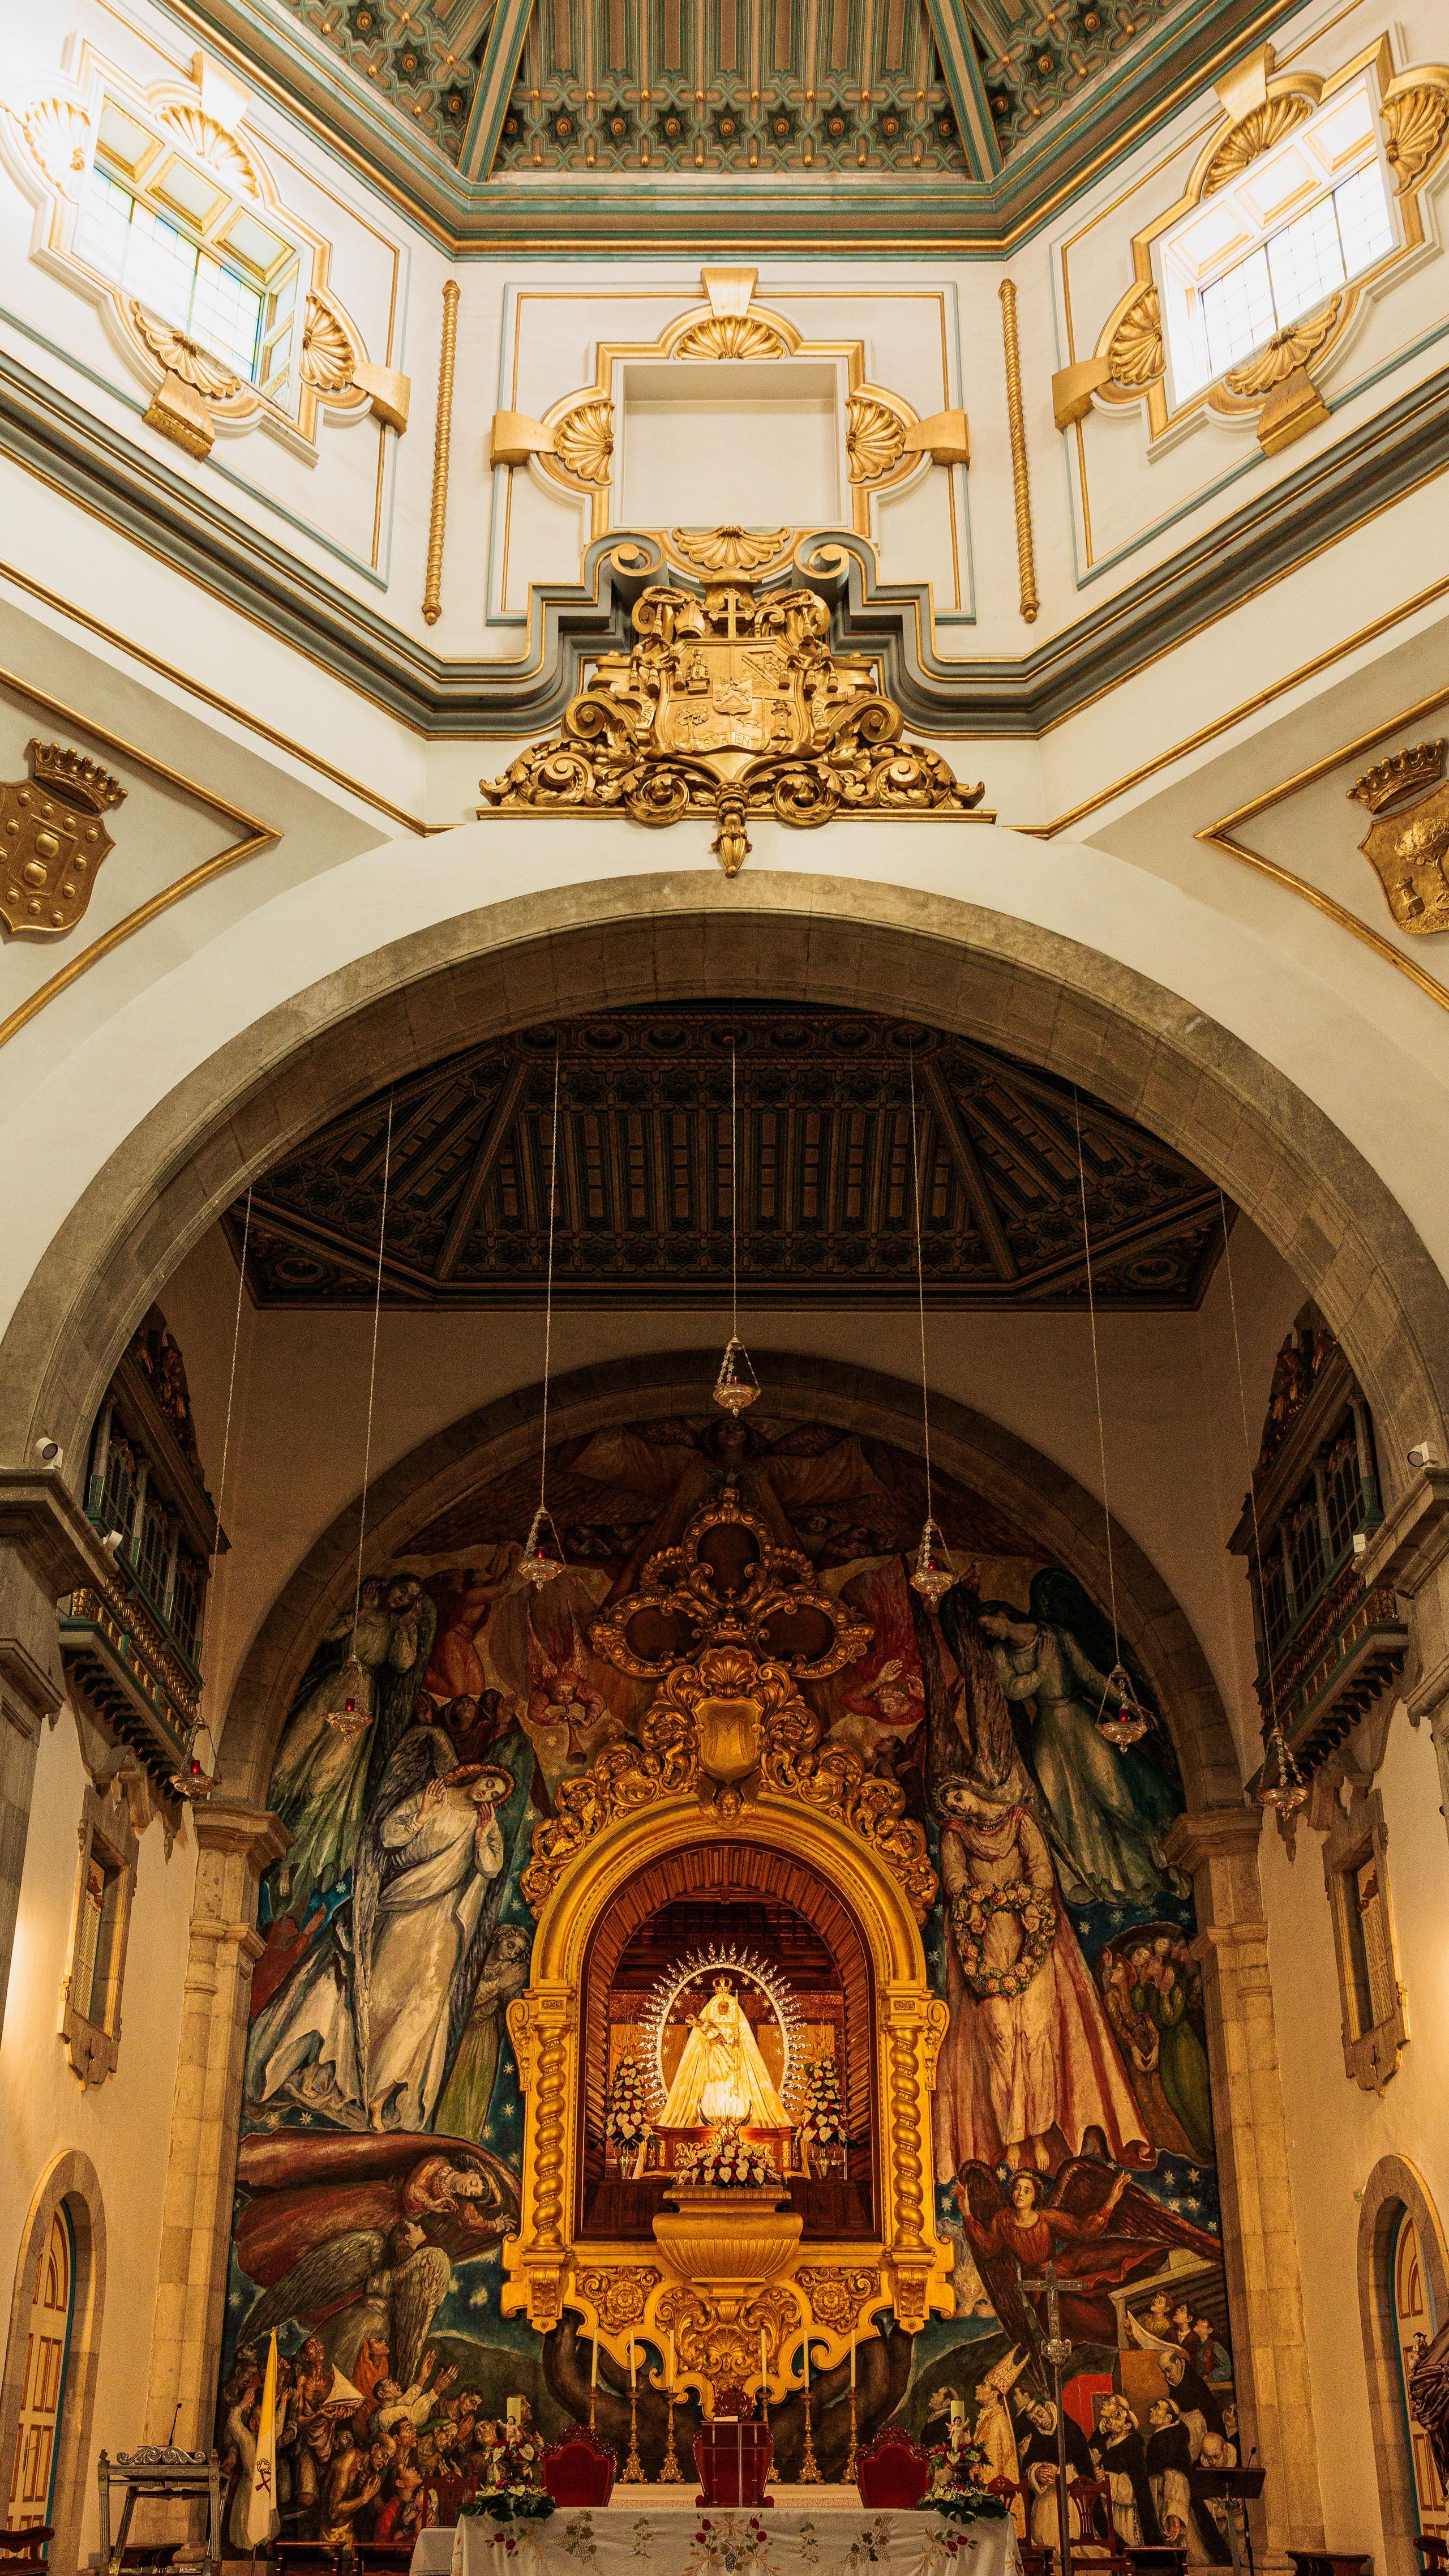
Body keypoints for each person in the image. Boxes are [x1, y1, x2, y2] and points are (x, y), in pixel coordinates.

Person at [933, 1773, 1148, 2174]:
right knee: (1000, 2040)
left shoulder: (1019, 1821)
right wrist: (974, 1904)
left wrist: (1033, 1903)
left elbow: (1041, 1870)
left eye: (958, 1795)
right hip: (984, 1945)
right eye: (950, 1803)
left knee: (1034, 2035)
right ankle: (1012, 2141)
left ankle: (1037, 2133)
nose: (957, 1805)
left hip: (1030, 1938)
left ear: (977, 1788)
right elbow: (956, 1880)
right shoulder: (954, 1836)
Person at [976, 1598, 1174, 1905]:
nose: (988, 1633)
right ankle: (1093, 1881)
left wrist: (1131, 1706)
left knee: (1115, 1796)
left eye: (987, 1625)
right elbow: (1013, 1691)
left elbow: (1091, 1677)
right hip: (1048, 1729)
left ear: (1001, 1615)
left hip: (1079, 1720)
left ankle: (1157, 1864)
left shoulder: (1056, 1636)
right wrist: (1042, 1668)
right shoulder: (1002, 1653)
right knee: (1063, 1806)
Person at [658, 1975, 791, 2129]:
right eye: (721, 2005)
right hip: (713, 2068)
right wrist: (710, 2044)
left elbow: (748, 2045)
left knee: (736, 2093)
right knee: (712, 2092)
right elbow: (696, 2047)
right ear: (715, 2007)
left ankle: (737, 2122)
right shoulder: (708, 2025)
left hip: (735, 2069)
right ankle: (709, 2121)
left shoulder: (737, 2022)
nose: (723, 2008)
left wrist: (738, 2045)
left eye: (726, 2005)